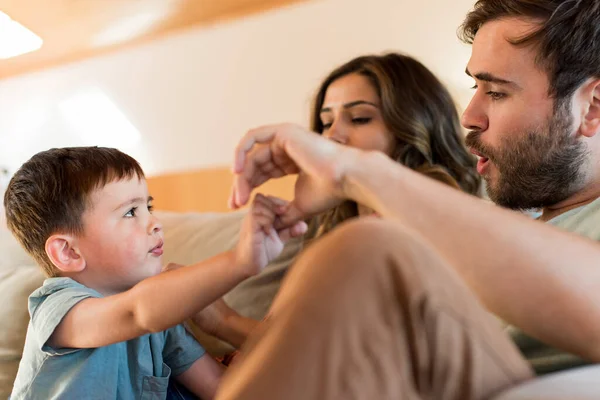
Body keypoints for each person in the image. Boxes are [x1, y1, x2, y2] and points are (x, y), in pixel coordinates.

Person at [216, 0, 600, 399]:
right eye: (475, 88)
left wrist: (351, 170)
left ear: (591, 106)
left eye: (497, 92)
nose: (469, 115)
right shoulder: (500, 224)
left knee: (367, 247)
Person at [193, 52, 481, 350]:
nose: (333, 136)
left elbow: (324, 351)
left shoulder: (436, 208)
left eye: (359, 118)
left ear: (412, 127)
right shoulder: (326, 225)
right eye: (325, 122)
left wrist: (222, 321)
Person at [3, 147, 306, 400]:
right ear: (69, 252)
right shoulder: (58, 309)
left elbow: (224, 390)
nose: (155, 222)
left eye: (149, 206)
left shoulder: (163, 321)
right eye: (131, 212)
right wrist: (240, 262)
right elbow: (138, 311)